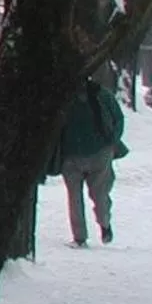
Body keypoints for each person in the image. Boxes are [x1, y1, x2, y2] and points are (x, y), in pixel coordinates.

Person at [55, 76, 125, 247]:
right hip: (99, 152)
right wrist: (112, 141)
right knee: (100, 194)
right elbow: (119, 118)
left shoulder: (61, 98)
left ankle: (79, 237)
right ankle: (105, 224)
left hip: (71, 154)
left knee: (74, 197)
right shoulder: (102, 94)